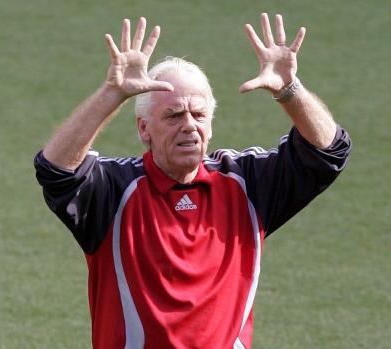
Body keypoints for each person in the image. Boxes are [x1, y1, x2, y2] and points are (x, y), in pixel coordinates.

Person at [34, 13, 351, 349]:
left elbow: (327, 152)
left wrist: (290, 90)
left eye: (199, 114)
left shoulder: (246, 183)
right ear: (144, 129)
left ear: (210, 125)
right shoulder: (112, 191)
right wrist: (112, 95)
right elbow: (56, 169)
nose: (189, 125)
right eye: (173, 115)